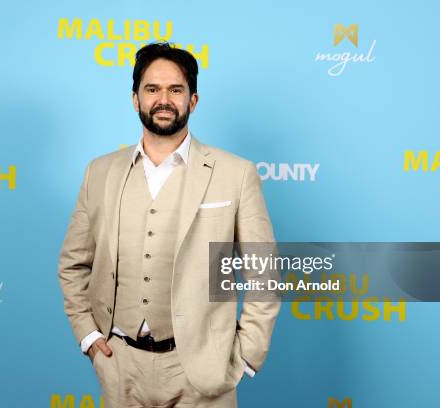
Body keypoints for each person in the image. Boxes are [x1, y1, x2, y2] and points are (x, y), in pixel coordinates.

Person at [58, 42, 279, 407]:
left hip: (204, 370)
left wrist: (245, 355)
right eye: (152, 89)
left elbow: (263, 272)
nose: (164, 99)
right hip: (119, 366)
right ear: (135, 99)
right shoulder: (100, 172)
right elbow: (73, 263)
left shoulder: (235, 174)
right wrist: (88, 336)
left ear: (192, 100)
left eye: (175, 89)